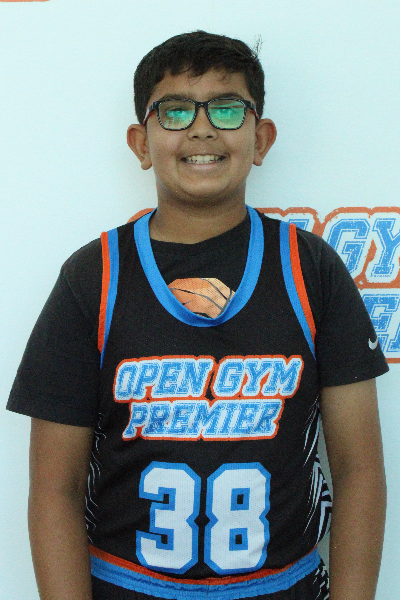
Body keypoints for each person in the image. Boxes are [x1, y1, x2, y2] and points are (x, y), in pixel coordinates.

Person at [7, 31, 388, 600]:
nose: (202, 128)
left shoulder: (312, 270)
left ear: (261, 139)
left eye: (227, 108)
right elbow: (53, 491)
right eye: (176, 110)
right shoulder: (94, 278)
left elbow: (359, 473)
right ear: (141, 143)